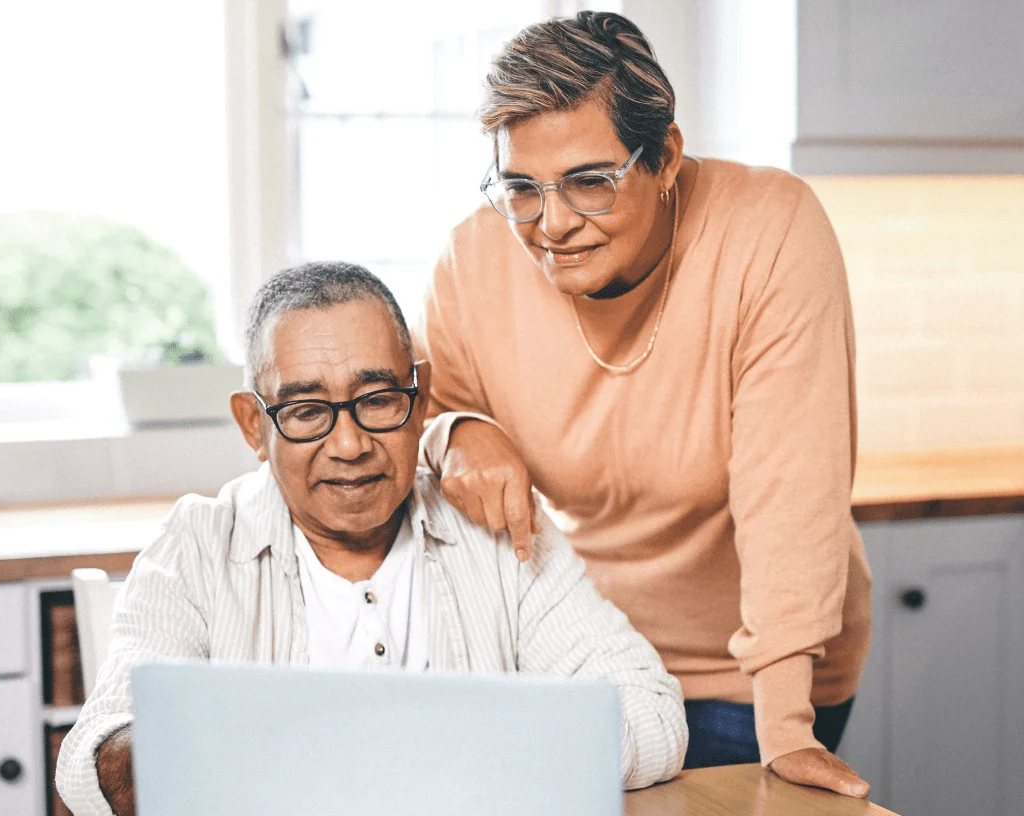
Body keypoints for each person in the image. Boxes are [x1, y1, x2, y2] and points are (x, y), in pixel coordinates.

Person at [416, 12, 872, 798]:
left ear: (664, 157)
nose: (552, 224)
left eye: (590, 181)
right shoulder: (472, 259)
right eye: (521, 188)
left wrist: (786, 726)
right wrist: (459, 434)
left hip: (752, 669)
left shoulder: (768, 229)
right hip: (588, 656)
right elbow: (429, 424)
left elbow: (790, 490)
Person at [54, 262, 687, 816]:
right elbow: (94, 758)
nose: (350, 444)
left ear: (421, 399)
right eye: (306, 412)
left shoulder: (499, 527)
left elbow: (653, 717)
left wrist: (420, 750)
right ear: (254, 426)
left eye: (379, 399)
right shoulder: (197, 546)